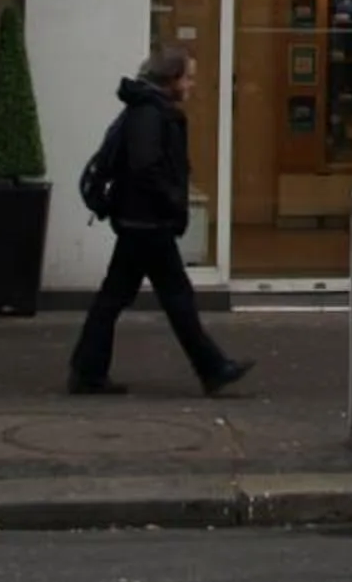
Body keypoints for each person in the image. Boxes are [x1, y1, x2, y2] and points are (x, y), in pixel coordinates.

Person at [67, 47, 252, 398]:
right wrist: (171, 200)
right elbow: (145, 166)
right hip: (147, 223)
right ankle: (212, 368)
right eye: (189, 77)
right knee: (174, 297)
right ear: (171, 80)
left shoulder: (145, 110)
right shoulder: (150, 114)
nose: (192, 85)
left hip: (138, 221)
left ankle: (88, 370)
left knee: (119, 298)